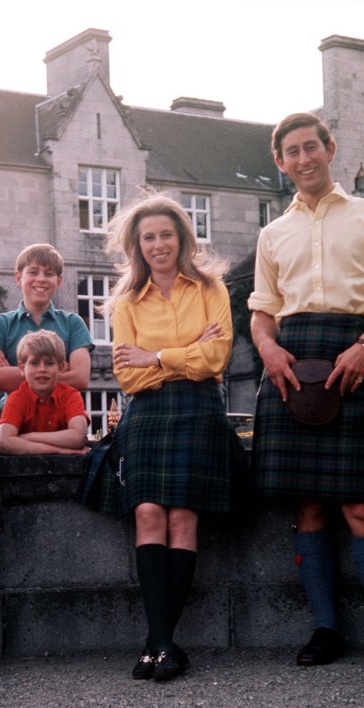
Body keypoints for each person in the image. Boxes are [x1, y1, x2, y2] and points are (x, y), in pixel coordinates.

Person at [248, 112, 364, 676]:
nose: (303, 159)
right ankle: (325, 628)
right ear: (280, 162)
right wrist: (270, 352)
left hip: (351, 357)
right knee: (308, 507)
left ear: (330, 149)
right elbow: (262, 312)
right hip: (292, 366)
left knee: (361, 505)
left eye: (311, 148)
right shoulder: (272, 234)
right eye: (291, 153)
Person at [87, 193, 234, 682]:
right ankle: (165, 642)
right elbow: (129, 379)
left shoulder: (212, 288)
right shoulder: (126, 301)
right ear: (137, 245)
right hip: (147, 413)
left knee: (183, 519)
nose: (158, 244)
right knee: (149, 514)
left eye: (166, 234)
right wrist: (186, 352)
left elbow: (218, 360)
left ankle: (158, 645)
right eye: (148, 237)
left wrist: (156, 357)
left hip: (199, 411)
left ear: (182, 238)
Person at [0, 244, 94, 409]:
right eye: (33, 272)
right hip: (16, 419)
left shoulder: (73, 323)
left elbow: (80, 378)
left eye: (49, 274)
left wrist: (16, 372)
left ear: (59, 280)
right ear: (18, 278)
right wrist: (58, 372)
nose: (41, 279)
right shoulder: (0, 325)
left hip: (61, 419)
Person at [0, 330, 91, 456]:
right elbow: (4, 442)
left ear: (61, 368)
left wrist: (27, 437)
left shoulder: (70, 395)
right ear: (22, 368)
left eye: (49, 363)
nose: (42, 369)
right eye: (34, 363)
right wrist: (58, 451)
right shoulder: (16, 398)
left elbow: (78, 437)